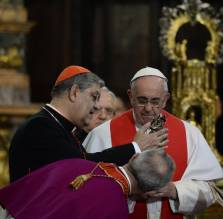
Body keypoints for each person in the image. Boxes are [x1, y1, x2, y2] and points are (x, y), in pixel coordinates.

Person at [83, 66, 223, 218]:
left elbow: (210, 190)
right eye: (142, 101)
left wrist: (174, 190)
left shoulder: (189, 133)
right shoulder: (102, 134)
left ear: (165, 99)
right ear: (130, 96)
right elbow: (86, 186)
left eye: (155, 101)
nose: (148, 108)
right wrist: (130, 189)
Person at [9, 65, 168, 182]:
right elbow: (82, 167)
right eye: (94, 96)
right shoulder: (40, 127)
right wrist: (136, 146)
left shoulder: (59, 127)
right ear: (74, 92)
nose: (97, 106)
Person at [0, 149, 175, 219]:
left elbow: (14, 197)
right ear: (151, 191)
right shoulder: (117, 212)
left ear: (134, 157)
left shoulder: (75, 163)